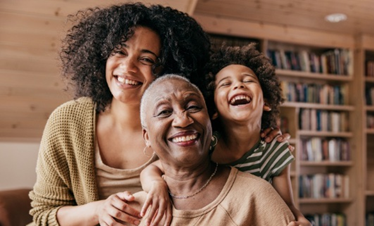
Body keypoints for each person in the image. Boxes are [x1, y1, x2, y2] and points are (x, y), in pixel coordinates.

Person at [28, 3, 287, 226]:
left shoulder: (185, 130)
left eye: (146, 59)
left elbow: (238, 143)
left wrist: (267, 134)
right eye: (119, 51)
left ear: (166, 69)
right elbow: (42, 215)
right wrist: (99, 210)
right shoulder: (67, 122)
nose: (127, 67)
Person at [140, 44, 311, 226]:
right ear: (213, 110)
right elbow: (153, 169)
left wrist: (301, 220)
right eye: (226, 83)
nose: (238, 85)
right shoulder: (207, 144)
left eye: (248, 80)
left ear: (266, 101)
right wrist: (156, 185)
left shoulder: (275, 149)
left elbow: (287, 205)